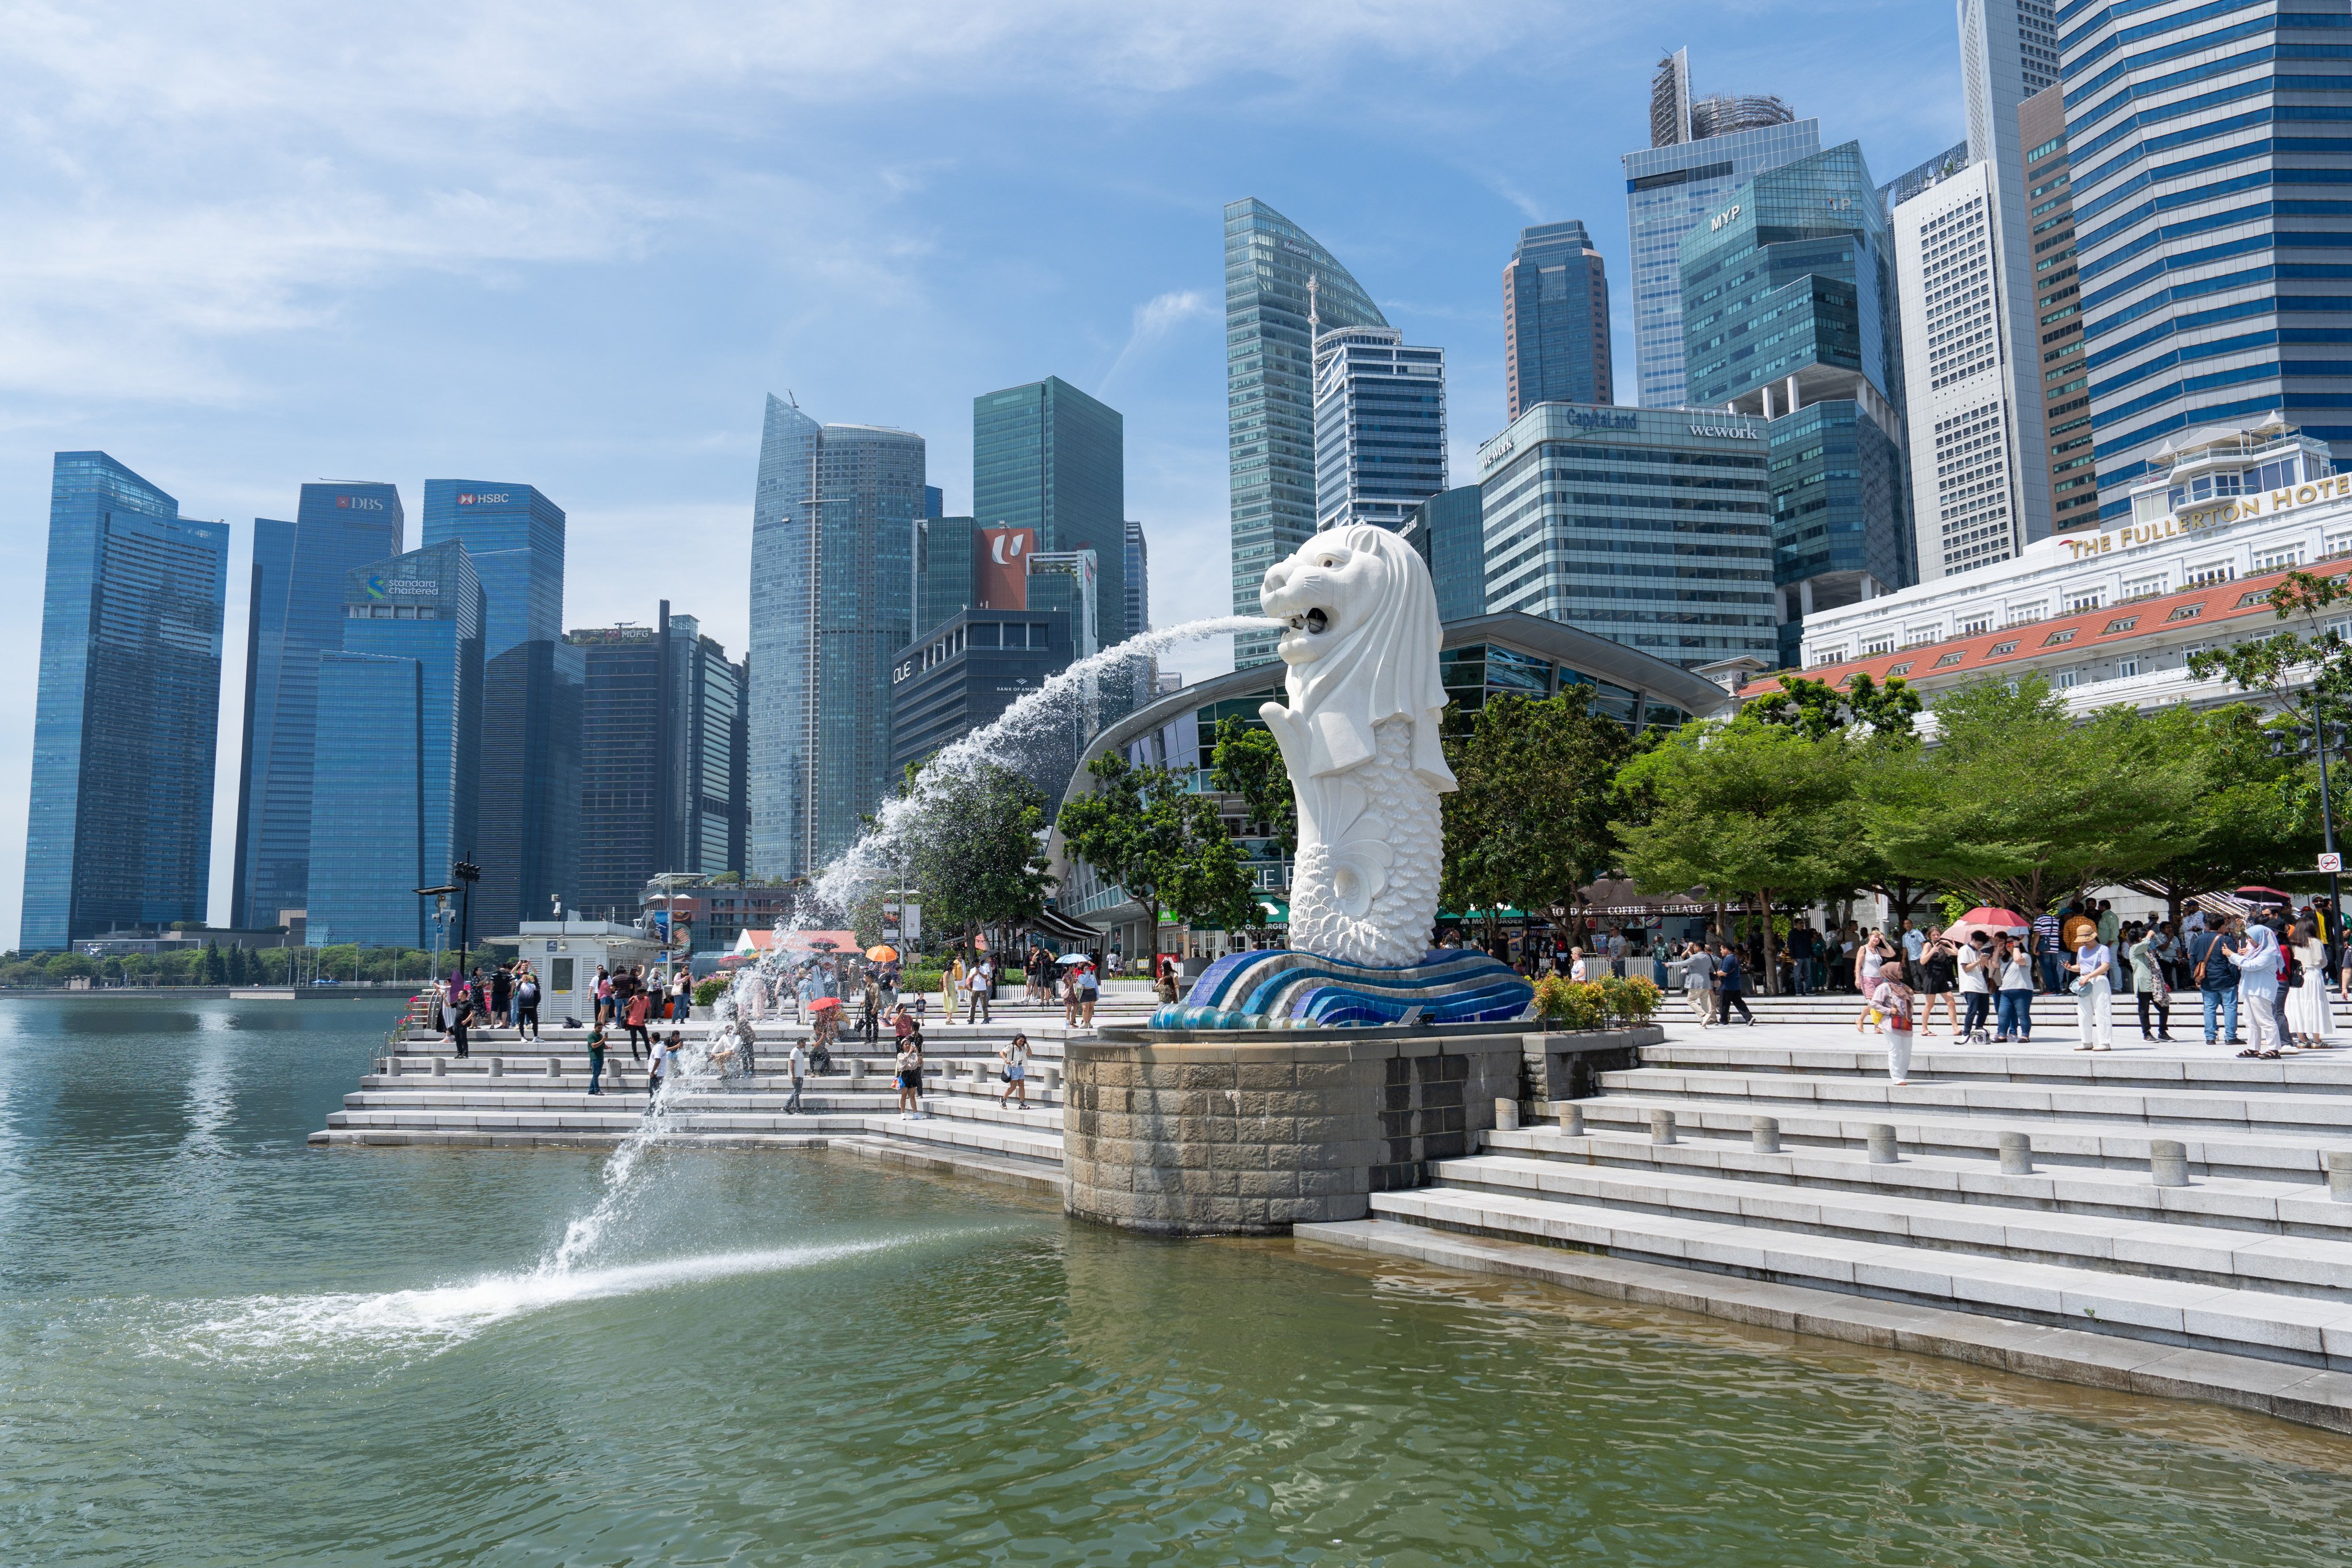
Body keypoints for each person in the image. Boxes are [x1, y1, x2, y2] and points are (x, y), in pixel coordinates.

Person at [2189, 916, 2243, 1046]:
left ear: (2207, 927)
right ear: (2222, 927)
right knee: (2230, 1008)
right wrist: (2237, 978)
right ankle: (2230, 1037)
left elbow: (2193, 960)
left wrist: (2196, 977)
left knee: (2209, 1008)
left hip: (2207, 980)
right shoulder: (2226, 940)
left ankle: (2210, 1037)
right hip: (2226, 979)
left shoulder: (2198, 940)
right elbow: (2232, 961)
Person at [2235, 920, 2286, 1059]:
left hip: (2261, 990)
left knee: (2265, 1019)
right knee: (2250, 1020)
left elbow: (2251, 966)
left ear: (2261, 937)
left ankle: (2274, 1049)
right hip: (2250, 988)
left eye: (2251, 938)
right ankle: (2253, 1048)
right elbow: (2244, 965)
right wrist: (2240, 956)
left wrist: (2232, 955)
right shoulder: (2255, 951)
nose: (2250, 941)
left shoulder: (2269, 953)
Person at [2288, 917, 2340, 1048]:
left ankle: (2302, 1039)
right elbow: (2324, 962)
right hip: (2314, 975)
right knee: (2315, 1005)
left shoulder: (2292, 943)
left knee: (2298, 1006)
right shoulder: (2316, 942)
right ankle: (2317, 1040)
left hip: (2298, 977)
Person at [2064, 924, 2115, 1051]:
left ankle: (2105, 1042)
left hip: (2099, 980)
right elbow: (2080, 967)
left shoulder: (2103, 949)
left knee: (2102, 1011)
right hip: (2084, 981)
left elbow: (2105, 966)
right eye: (2083, 941)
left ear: (2094, 937)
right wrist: (2070, 968)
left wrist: (2089, 976)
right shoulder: (2081, 950)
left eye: (2088, 940)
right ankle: (2086, 1041)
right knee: (2083, 1013)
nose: (2085, 943)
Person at [2127, 922, 2173, 1042]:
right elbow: (2144, 945)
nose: (2151, 939)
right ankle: (2146, 1033)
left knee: (2164, 1006)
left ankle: (2163, 1032)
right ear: (2140, 939)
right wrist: (2150, 935)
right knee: (2144, 1010)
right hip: (2144, 984)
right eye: (2148, 937)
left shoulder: (2147, 949)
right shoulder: (2134, 948)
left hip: (2155, 984)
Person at [1877, 955, 1916, 1086]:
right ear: (1891, 971)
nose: (1901, 972)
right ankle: (1897, 1078)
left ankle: (1902, 1075)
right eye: (1898, 969)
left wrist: (1910, 994)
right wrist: (1889, 1011)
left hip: (1906, 1022)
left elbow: (1910, 1004)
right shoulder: (1885, 987)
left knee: (1907, 1050)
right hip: (1891, 1023)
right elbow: (1874, 1003)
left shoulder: (1902, 986)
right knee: (1895, 1049)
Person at [1917, 928, 1960, 1035]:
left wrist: (1949, 943)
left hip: (1942, 976)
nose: (1936, 937)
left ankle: (1956, 1029)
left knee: (1951, 1002)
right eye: (1934, 935)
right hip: (1932, 975)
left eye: (1938, 935)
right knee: (1930, 1004)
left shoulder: (1942, 946)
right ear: (1930, 936)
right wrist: (1932, 951)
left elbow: (1957, 953)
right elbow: (1922, 961)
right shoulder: (1928, 945)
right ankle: (1924, 1029)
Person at [1993, 936, 2036, 1042]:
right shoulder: (2005, 959)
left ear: (2017, 943)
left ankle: (2025, 1036)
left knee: (2022, 1014)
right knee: (2003, 1014)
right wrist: (1998, 949)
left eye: (2011, 942)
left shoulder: (2025, 956)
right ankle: (2002, 1035)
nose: (2008, 944)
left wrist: (2016, 946)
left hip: (2022, 990)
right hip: (2006, 991)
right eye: (2007, 942)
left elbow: (2018, 960)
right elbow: (1994, 964)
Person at [1955, 930, 1994, 1040]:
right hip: (1970, 985)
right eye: (1980, 944)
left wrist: (1984, 962)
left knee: (1985, 1010)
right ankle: (1966, 1033)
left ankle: (1978, 1029)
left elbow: (1981, 970)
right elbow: (1966, 968)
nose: (1981, 946)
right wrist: (1979, 961)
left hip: (1981, 985)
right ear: (1973, 940)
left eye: (1982, 945)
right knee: (1972, 1009)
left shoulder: (1978, 952)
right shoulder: (1964, 950)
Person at [1854, 932, 1890, 1034]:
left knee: (1878, 1002)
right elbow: (1858, 964)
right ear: (1870, 937)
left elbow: (1891, 954)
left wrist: (1884, 941)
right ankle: (1861, 1019)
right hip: (1867, 978)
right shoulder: (1863, 948)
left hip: (1879, 978)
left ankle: (1877, 1027)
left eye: (1878, 938)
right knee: (1873, 1003)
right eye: (1875, 937)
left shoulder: (1878, 950)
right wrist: (1857, 978)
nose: (1876, 940)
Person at [1713, 941, 1754, 1026]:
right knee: (1739, 1003)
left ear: (1726, 950)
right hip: (1736, 985)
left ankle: (1723, 1021)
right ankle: (1749, 1018)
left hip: (1727, 986)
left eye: (1722, 949)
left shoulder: (1728, 959)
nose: (1721, 951)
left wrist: (1714, 973)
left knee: (1724, 1003)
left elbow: (1724, 972)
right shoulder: (1735, 958)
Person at [1681, 941, 1716, 1028]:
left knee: (1690, 1000)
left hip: (1696, 982)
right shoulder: (1707, 956)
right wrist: (1689, 950)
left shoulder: (1696, 956)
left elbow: (1683, 963)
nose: (1693, 948)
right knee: (1704, 1002)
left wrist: (1669, 964)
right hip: (1705, 982)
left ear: (1698, 947)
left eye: (1694, 946)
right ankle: (1704, 1024)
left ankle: (1704, 1016)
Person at [2032, 909, 2065, 994]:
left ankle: (2050, 989)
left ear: (2039, 909)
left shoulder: (2039, 920)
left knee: (2046, 969)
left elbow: (2037, 934)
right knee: (2053, 969)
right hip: (2054, 947)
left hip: (2044, 948)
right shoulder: (2054, 919)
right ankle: (2057, 988)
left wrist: (2034, 948)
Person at [896, 1026, 925, 1117]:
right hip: (905, 1075)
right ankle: (902, 1113)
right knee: (904, 1095)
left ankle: (916, 1113)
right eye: (906, 1044)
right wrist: (909, 1053)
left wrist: (918, 1052)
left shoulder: (913, 1054)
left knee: (912, 1095)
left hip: (912, 1074)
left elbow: (919, 1063)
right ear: (902, 1046)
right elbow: (903, 1062)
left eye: (909, 1044)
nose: (908, 1046)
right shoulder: (900, 1055)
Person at [999, 1030, 1031, 1107]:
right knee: (1013, 1087)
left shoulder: (1023, 1048)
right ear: (1017, 1039)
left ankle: (1022, 1103)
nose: (1021, 1043)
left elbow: (1030, 1054)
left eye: (1023, 1041)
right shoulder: (1011, 1046)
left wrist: (1027, 1044)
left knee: (1022, 1086)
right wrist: (1006, 1060)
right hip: (1012, 1067)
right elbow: (1001, 1053)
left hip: (1020, 1067)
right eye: (1020, 1041)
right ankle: (1003, 1099)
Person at [623, 984, 652, 1059]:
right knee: (634, 1040)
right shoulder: (633, 998)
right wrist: (633, 1003)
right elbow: (626, 1009)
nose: (645, 994)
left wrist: (648, 1019)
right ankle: (635, 1055)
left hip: (641, 1023)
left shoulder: (646, 999)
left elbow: (649, 1009)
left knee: (646, 1039)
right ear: (639, 994)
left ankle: (650, 1054)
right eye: (644, 993)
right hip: (632, 1022)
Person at [515, 964, 542, 1042]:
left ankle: (536, 1037)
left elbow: (538, 988)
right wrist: (521, 981)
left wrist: (534, 981)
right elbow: (517, 989)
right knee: (522, 1022)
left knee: (535, 1022)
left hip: (531, 1006)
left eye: (527, 977)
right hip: (522, 1006)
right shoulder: (520, 985)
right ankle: (523, 1037)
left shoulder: (531, 985)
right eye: (524, 977)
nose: (526, 978)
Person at [965, 955, 992, 1024]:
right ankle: (971, 1019)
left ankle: (986, 1019)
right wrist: (974, 975)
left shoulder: (983, 968)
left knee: (984, 1004)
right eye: (975, 964)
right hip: (975, 989)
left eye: (977, 964)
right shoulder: (972, 970)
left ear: (979, 963)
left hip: (982, 989)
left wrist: (980, 973)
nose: (977, 965)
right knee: (973, 1005)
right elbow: (970, 980)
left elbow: (986, 977)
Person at [786, 1034, 808, 1114]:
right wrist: (793, 1076)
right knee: (797, 1092)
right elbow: (792, 1063)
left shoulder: (799, 1051)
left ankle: (786, 1106)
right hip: (797, 1076)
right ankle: (798, 1109)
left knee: (797, 1092)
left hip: (800, 1075)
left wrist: (804, 1070)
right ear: (801, 1043)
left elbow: (800, 1063)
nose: (805, 1045)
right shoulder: (795, 1051)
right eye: (805, 1043)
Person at [584, 1022, 608, 1095]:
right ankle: (597, 1090)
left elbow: (604, 1046)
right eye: (599, 1028)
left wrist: (608, 1047)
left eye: (601, 1028)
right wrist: (603, 1040)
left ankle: (591, 1090)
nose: (600, 1029)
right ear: (595, 1027)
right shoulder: (591, 1036)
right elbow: (593, 1046)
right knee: (596, 1074)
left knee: (597, 1074)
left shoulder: (601, 1036)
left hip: (601, 1057)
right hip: (594, 1057)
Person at [1079, 957, 1099, 1026]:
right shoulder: (1081, 976)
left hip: (1092, 992)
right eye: (1085, 969)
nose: (1087, 970)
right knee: (1085, 1008)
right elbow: (1084, 981)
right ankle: (1084, 1022)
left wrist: (1098, 995)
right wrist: (1087, 974)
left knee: (1091, 1009)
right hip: (1085, 993)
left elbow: (1096, 986)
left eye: (1088, 969)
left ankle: (1088, 1022)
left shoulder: (1092, 977)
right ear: (1082, 971)